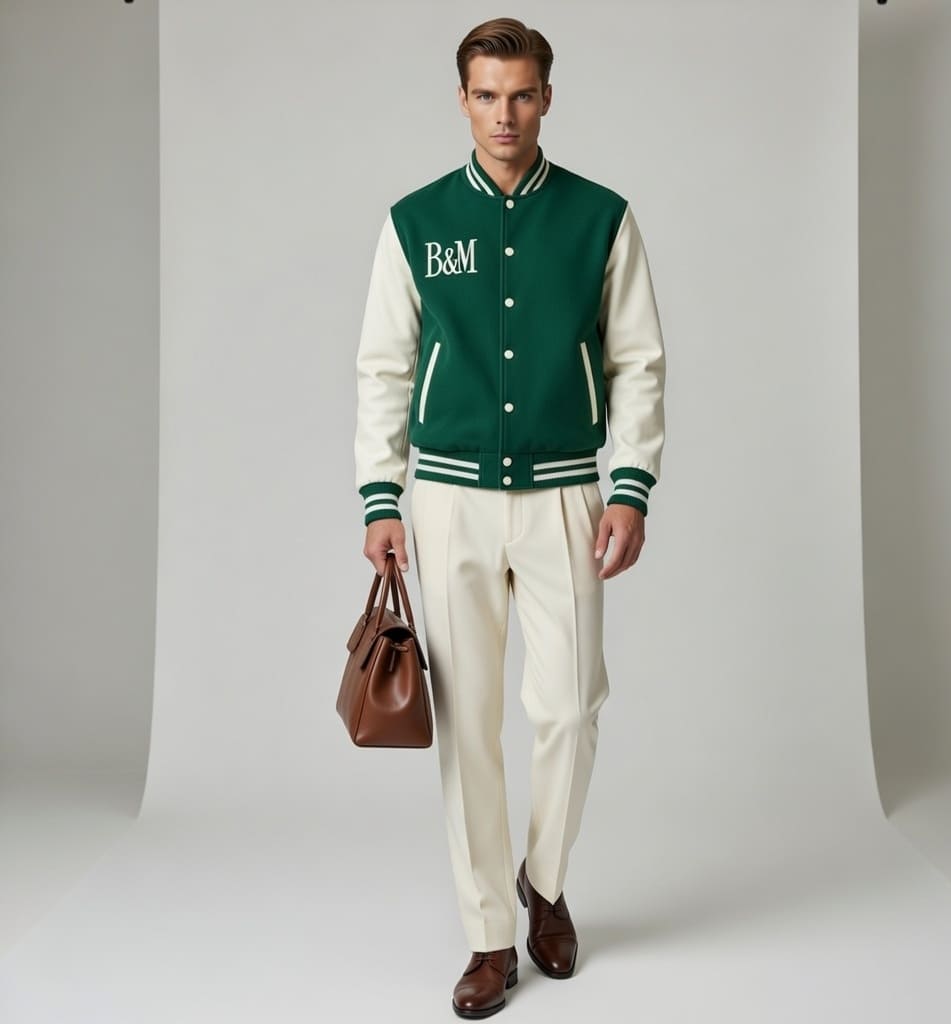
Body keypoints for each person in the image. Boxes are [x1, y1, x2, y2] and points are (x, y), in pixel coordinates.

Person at [353, 16, 666, 1019]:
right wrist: (381, 494)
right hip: (446, 498)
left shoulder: (601, 218)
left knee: (570, 706)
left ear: (546, 99)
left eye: (522, 94)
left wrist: (630, 484)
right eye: (487, 95)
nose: (505, 114)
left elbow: (638, 360)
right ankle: (489, 934)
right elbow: (383, 366)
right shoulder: (415, 222)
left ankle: (545, 879)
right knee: (469, 725)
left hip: (566, 491)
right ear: (463, 100)